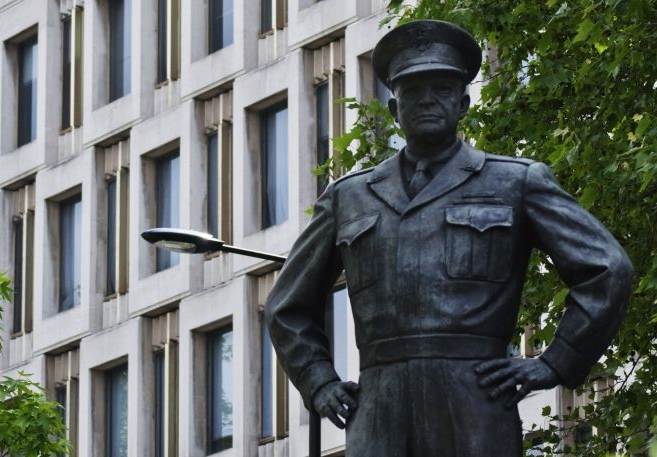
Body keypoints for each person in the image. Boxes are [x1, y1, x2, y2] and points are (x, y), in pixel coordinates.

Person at [265, 19, 633, 456]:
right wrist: (319, 381)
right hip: (380, 408)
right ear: (393, 108)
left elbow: (607, 268)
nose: (426, 101)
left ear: (463, 103)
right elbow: (286, 306)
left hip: (474, 399)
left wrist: (556, 361)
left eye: (441, 89)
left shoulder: (515, 181)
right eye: (412, 91)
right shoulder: (350, 197)